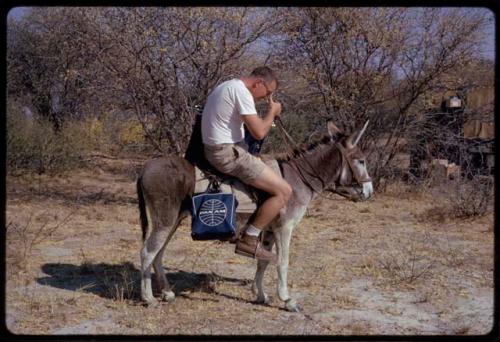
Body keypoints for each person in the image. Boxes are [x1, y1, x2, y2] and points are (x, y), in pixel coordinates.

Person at [201, 66, 292, 262]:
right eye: (267, 93)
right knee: (284, 191)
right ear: (258, 83)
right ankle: (249, 239)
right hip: (227, 153)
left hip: (218, 148)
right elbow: (259, 132)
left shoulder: (227, 85)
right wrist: (272, 112)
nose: (265, 98)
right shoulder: (242, 92)